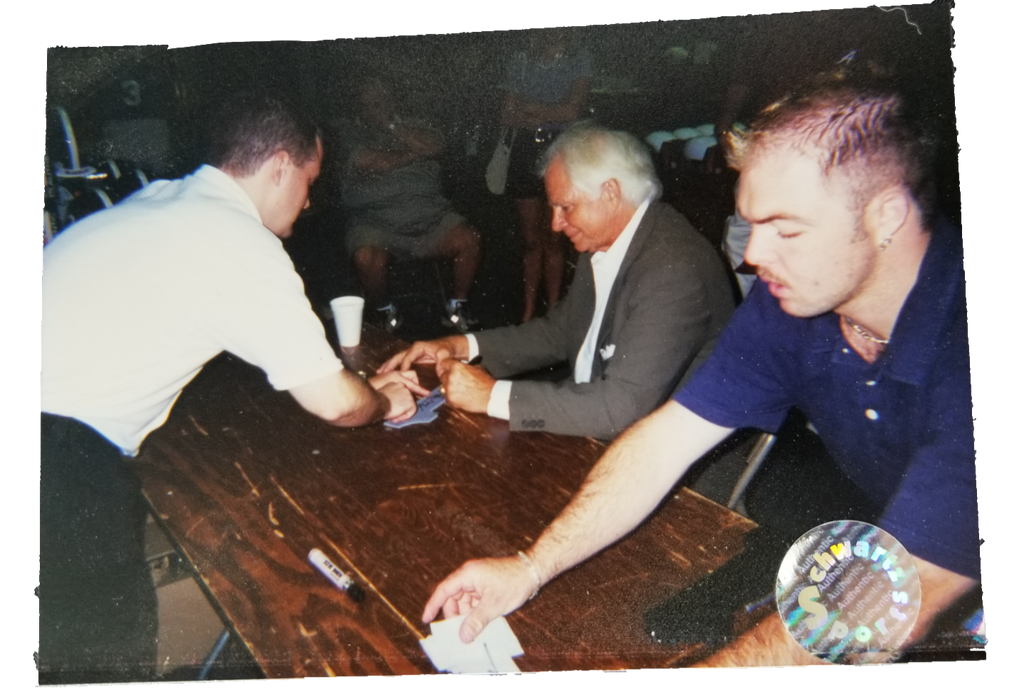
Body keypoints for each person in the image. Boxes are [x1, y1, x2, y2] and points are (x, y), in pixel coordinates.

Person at [420, 87, 978, 666]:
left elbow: (900, 589)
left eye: (785, 229)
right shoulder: (791, 306)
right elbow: (662, 443)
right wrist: (529, 568)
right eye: (751, 223)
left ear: (885, 215)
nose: (751, 254)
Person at [37, 93, 427, 684]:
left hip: (59, 430)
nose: (311, 197)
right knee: (102, 657)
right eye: (309, 178)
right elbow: (336, 405)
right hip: (61, 452)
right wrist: (384, 400)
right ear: (278, 167)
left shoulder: (163, 198)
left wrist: (355, 383)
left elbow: (305, 370)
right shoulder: (239, 241)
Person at [380, 124, 735, 440]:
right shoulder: (611, 236)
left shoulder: (673, 270)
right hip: (596, 413)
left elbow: (620, 410)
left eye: (565, 207)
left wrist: (493, 396)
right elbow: (559, 331)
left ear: (610, 192)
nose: (555, 224)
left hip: (648, 445)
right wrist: (459, 345)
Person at [339, 78, 482, 333]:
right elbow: (372, 161)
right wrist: (415, 153)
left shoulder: (417, 125)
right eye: (370, 104)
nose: (378, 107)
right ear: (359, 108)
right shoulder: (350, 132)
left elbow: (436, 145)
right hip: (376, 224)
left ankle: (457, 308)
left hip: (432, 219)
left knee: (469, 239)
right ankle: (385, 313)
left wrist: (392, 126)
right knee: (366, 256)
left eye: (382, 101)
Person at [501, 24, 592, 323]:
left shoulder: (579, 59)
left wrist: (531, 109)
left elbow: (573, 112)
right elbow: (508, 115)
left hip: (561, 151)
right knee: (530, 240)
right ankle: (528, 313)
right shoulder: (521, 61)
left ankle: (554, 311)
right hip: (525, 151)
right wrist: (549, 112)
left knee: (554, 238)